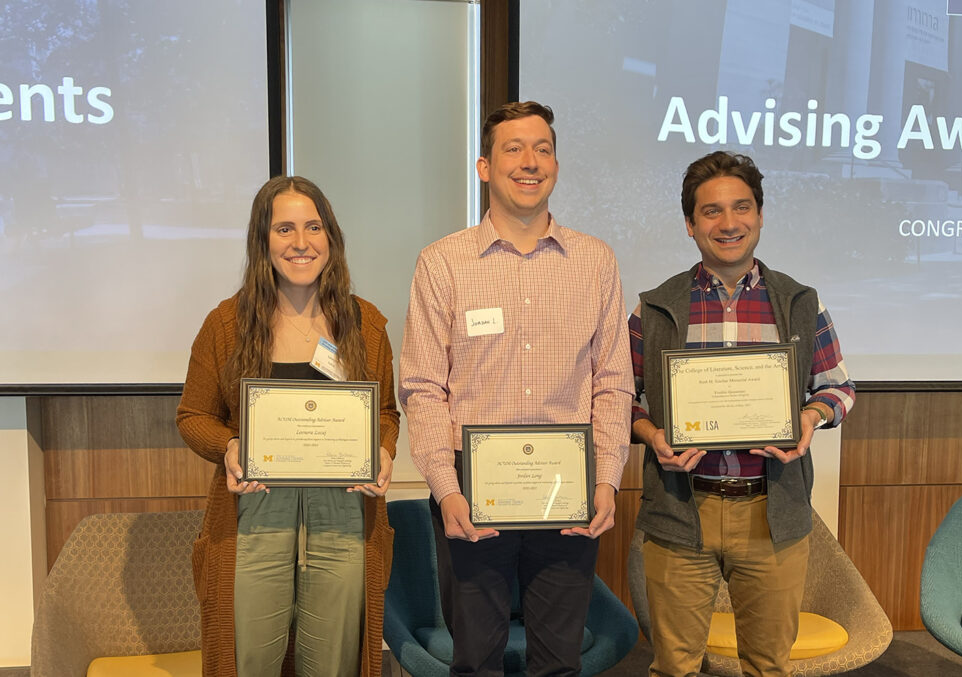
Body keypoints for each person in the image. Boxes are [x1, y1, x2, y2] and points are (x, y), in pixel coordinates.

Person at [398, 101, 633, 676]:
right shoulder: (442, 263)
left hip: (568, 493)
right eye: (513, 148)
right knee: (475, 661)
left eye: (543, 149)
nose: (530, 162)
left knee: (559, 663)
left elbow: (612, 383)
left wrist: (607, 477)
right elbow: (423, 388)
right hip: (470, 495)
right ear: (484, 166)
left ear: (556, 164)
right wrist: (446, 490)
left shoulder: (595, 261)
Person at [630, 151, 856, 677]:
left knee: (767, 666)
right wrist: (651, 434)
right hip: (682, 511)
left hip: (772, 514)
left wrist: (809, 418)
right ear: (690, 224)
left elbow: (839, 387)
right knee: (674, 668)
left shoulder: (800, 302)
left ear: (760, 215)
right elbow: (617, 397)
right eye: (711, 212)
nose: (728, 223)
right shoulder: (655, 307)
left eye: (742, 208)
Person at [176, 176, 400, 677]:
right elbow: (193, 416)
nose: (301, 242)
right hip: (253, 515)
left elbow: (385, 412)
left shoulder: (366, 324)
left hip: (344, 514)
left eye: (313, 227)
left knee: (333, 664)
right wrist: (230, 446)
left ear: (331, 237)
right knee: (248, 659)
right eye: (284, 229)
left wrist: (383, 451)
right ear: (263, 241)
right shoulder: (226, 323)